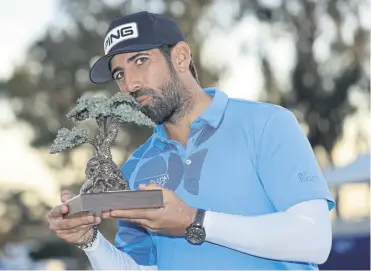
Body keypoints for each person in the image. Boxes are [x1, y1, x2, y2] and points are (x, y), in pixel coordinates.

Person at [48, 11, 336, 270]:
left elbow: (314, 239)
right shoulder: (135, 166)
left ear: (181, 57)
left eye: (141, 61)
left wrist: (194, 220)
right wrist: (91, 242)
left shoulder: (266, 124)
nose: (130, 84)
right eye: (120, 74)